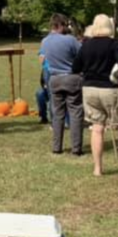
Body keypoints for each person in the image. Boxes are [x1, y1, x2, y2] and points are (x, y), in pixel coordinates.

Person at [70, 14, 118, 179]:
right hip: (111, 89)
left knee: (97, 128)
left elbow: (75, 67)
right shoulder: (114, 44)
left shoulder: (86, 45)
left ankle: (98, 169)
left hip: (89, 89)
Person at [41, 13, 84, 155]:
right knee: (75, 112)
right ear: (60, 25)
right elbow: (82, 55)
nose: (67, 27)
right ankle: (76, 148)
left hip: (54, 78)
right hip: (71, 77)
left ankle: (56, 147)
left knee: (57, 113)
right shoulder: (70, 40)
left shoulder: (45, 42)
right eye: (66, 25)